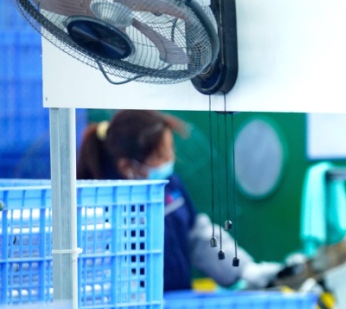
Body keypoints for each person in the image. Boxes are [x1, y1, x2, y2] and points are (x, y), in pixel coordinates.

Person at [77, 109, 283, 292]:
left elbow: (196, 235)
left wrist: (244, 269)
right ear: (127, 167)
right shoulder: (103, 205)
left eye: (170, 150)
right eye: (160, 155)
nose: (170, 160)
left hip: (177, 302)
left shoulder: (171, 185)